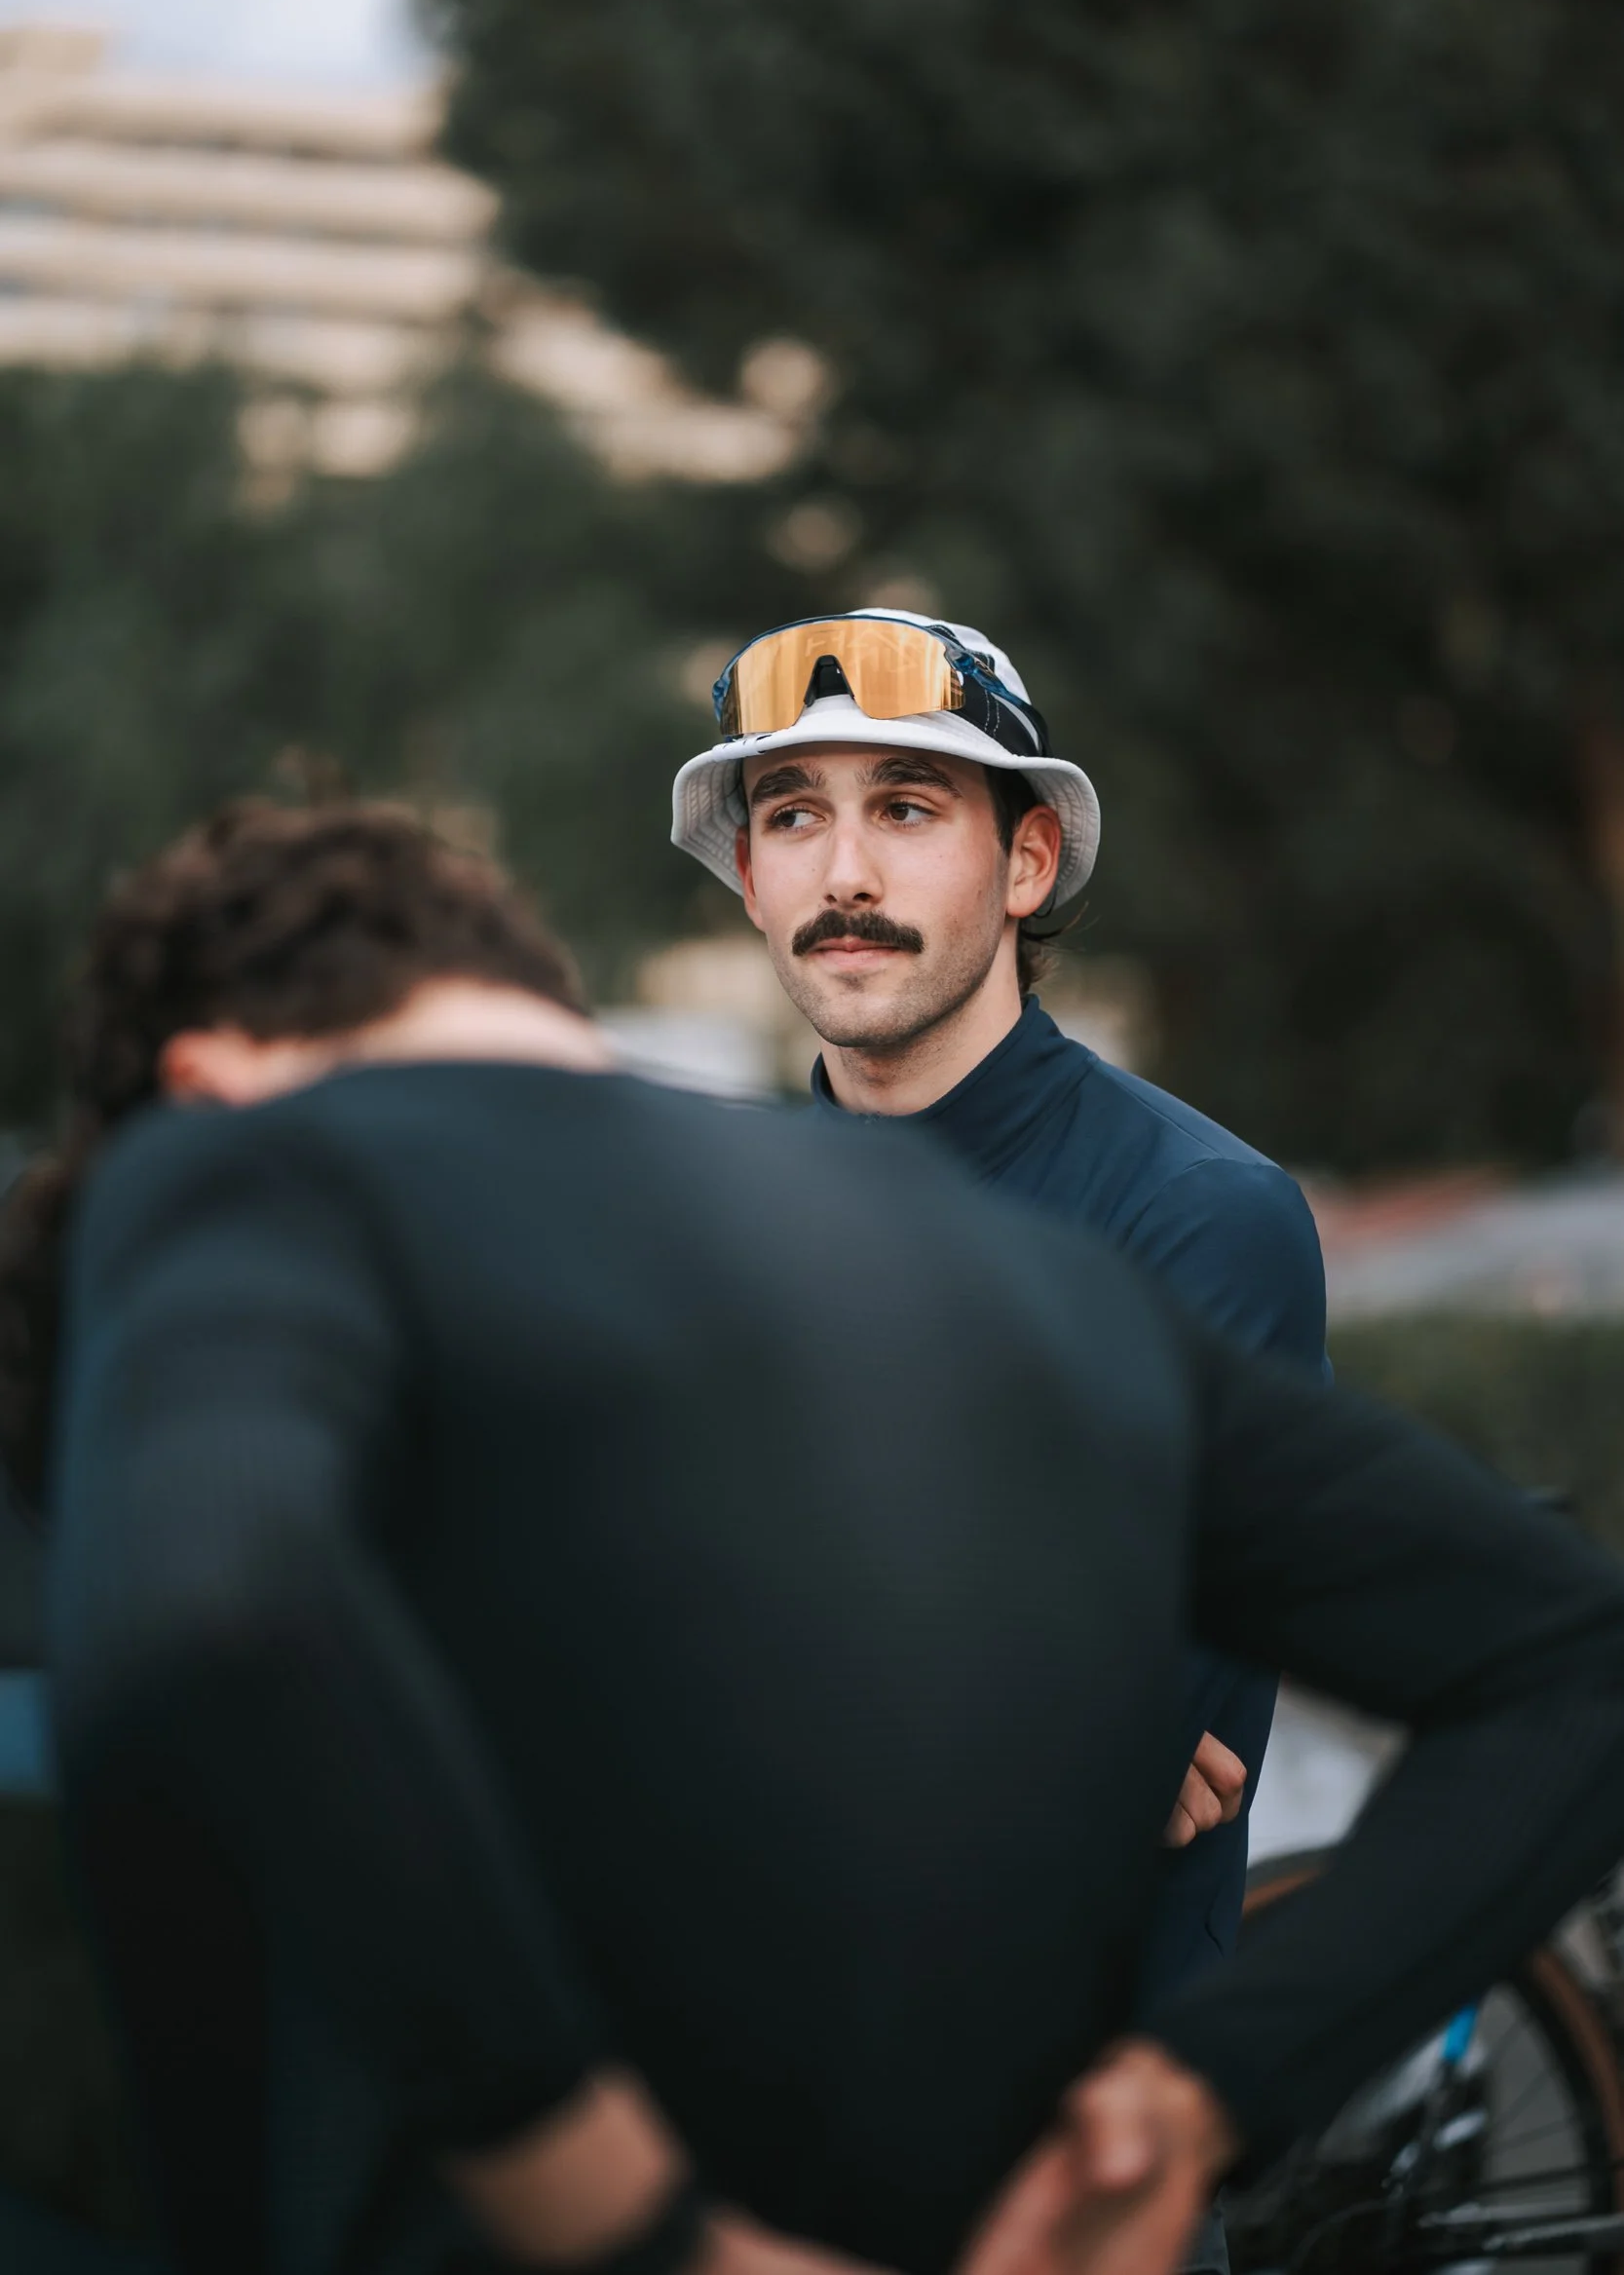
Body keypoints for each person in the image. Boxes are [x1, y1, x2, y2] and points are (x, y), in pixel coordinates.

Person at [17, 801, 1624, 2275]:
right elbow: (1570, 1661)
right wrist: (1198, 2097)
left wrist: (638, 2227)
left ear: (204, 1080)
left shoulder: (248, 1164)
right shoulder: (1014, 1275)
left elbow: (221, 1609)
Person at [670, 609, 1321, 2008]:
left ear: (1025, 860)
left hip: (1070, 2131)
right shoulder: (707, 1222)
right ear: (745, 873)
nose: (843, 873)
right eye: (791, 817)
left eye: (905, 809)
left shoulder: (1196, 1214)